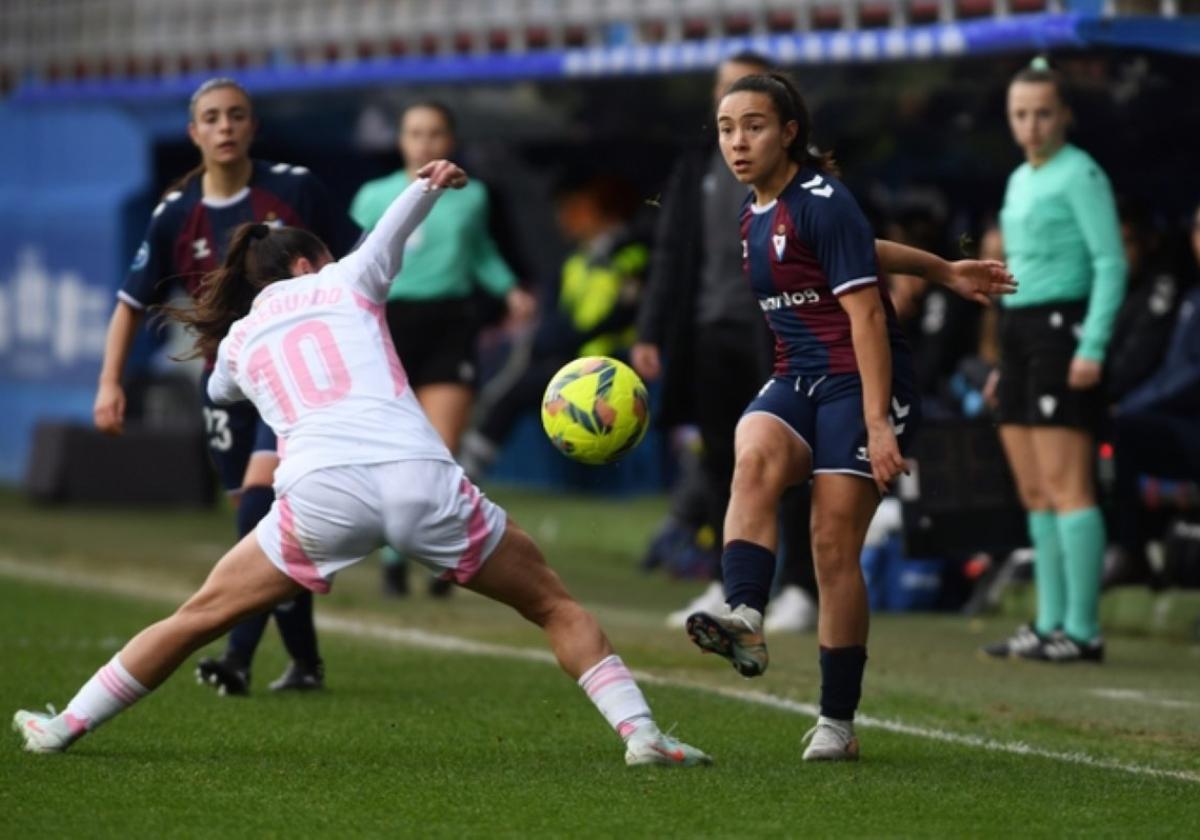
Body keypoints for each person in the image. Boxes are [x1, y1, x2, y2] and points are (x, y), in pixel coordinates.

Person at [13, 160, 711, 769]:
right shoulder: (346, 279)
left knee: (197, 615)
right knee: (555, 606)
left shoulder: (238, 339)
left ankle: (63, 725)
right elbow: (391, 233)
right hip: (418, 476)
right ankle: (641, 733)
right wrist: (431, 183)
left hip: (321, 493)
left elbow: (220, 389)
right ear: (306, 263)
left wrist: (240, 351)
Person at [682, 72, 1014, 761]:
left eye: (754, 126)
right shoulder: (755, 213)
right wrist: (945, 270)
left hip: (862, 383)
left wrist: (879, 422)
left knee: (833, 545)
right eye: (726, 128)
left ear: (789, 132)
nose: (737, 142)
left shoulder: (823, 200)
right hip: (798, 378)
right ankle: (745, 613)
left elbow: (864, 312)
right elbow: (862, 253)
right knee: (753, 453)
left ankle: (837, 721)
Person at [92, 77, 361, 696]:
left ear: (253, 127)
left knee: (259, 504)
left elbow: (354, 262)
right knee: (260, 517)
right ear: (194, 133)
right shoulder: (175, 214)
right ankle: (306, 664)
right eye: (211, 118)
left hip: (291, 380)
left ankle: (236, 656)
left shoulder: (295, 189)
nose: (225, 127)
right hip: (225, 384)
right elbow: (131, 303)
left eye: (236, 115)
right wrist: (110, 382)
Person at [632, 51, 820, 634]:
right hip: (708, 332)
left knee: (786, 461)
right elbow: (670, 253)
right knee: (718, 459)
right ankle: (726, 578)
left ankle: (798, 587)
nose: (735, 123)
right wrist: (651, 329)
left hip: (780, 336)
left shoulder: (807, 182)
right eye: (723, 97)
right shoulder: (697, 169)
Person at [349, 101, 535, 596]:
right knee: (391, 450)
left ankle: (439, 557)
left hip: (451, 323)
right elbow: (356, 261)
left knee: (439, 449)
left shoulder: (472, 197)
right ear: (401, 140)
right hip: (387, 327)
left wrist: (510, 288)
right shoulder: (373, 196)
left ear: (450, 141)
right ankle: (393, 557)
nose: (424, 143)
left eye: (435, 134)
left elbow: (480, 255)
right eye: (415, 133)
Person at [982, 58, 1127, 664]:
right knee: (1035, 489)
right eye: (1021, 114)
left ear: (1065, 114)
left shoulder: (1081, 174)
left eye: (1043, 113)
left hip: (1061, 331)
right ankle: (1046, 623)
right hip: (1019, 332)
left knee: (1069, 486)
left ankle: (1083, 629)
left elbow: (1111, 263)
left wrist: (1091, 346)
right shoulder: (1020, 178)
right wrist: (999, 359)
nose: (1032, 125)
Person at [460, 175, 648, 479]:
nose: (565, 219)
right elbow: (557, 309)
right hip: (573, 360)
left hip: (615, 362)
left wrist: (571, 339)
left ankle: (470, 464)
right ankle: (470, 461)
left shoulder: (635, 255)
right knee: (515, 380)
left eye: (577, 209)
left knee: (521, 388)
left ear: (605, 210)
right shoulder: (575, 260)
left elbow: (625, 313)